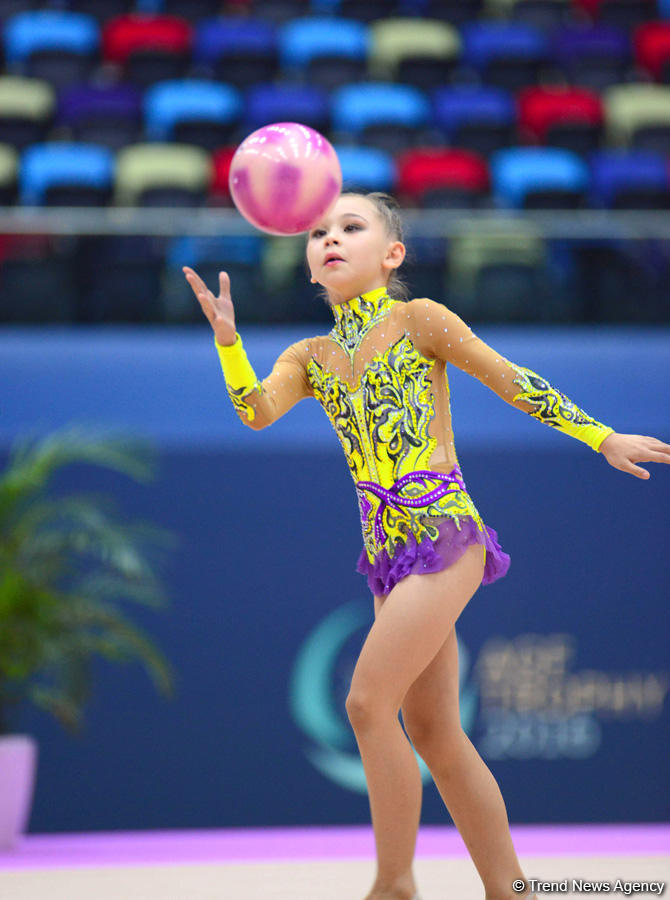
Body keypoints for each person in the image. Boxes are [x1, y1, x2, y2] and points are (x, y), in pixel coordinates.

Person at [184, 192, 670, 900]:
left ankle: (394, 882)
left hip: (445, 535)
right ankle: (512, 890)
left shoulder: (420, 321)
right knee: (437, 733)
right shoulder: (311, 355)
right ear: (310, 265)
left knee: (364, 704)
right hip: (387, 559)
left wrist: (601, 435)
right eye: (319, 232)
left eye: (351, 227)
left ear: (392, 254)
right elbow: (255, 412)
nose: (330, 238)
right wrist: (230, 345)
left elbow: (513, 381)